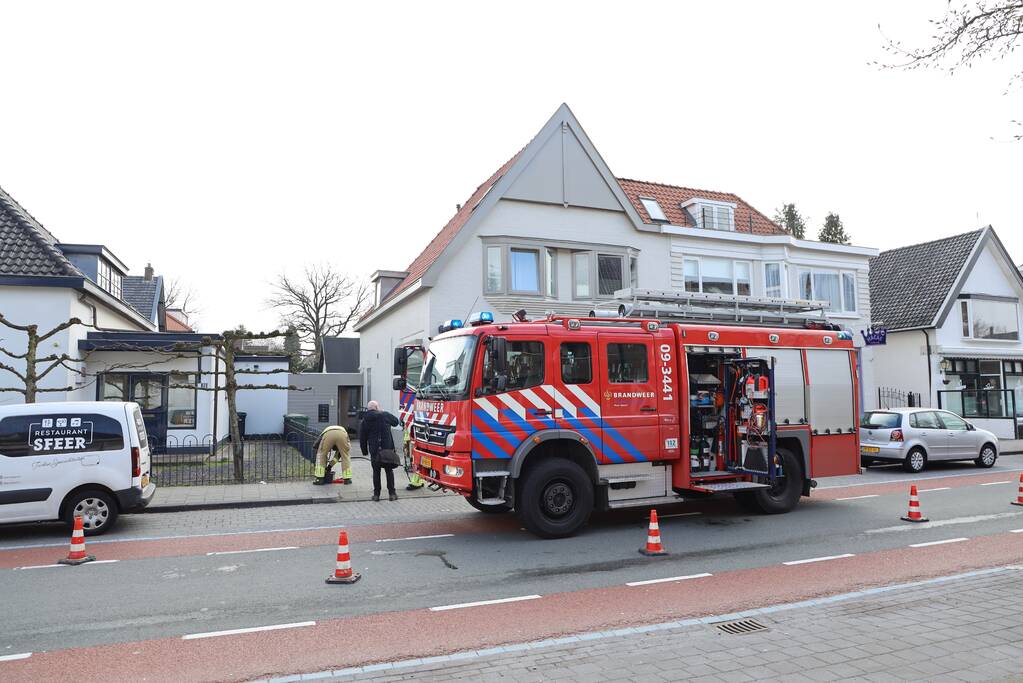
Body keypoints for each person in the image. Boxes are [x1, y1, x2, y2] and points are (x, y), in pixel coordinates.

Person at [359, 400, 400, 501]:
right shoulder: (384, 415)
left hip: (374, 450)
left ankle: (376, 495)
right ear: (377, 407)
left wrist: (364, 451)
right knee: (389, 471)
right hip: (387, 449)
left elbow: (362, 437)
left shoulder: (365, 420)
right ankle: (392, 494)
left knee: (376, 472)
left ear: (368, 409)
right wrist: (383, 412)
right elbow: (396, 422)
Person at [404, 420, 425, 491]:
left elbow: (409, 433)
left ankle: (415, 482)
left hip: (414, 443)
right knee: (418, 463)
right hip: (417, 443)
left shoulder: (411, 420)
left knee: (415, 463)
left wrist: (406, 443)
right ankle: (420, 481)